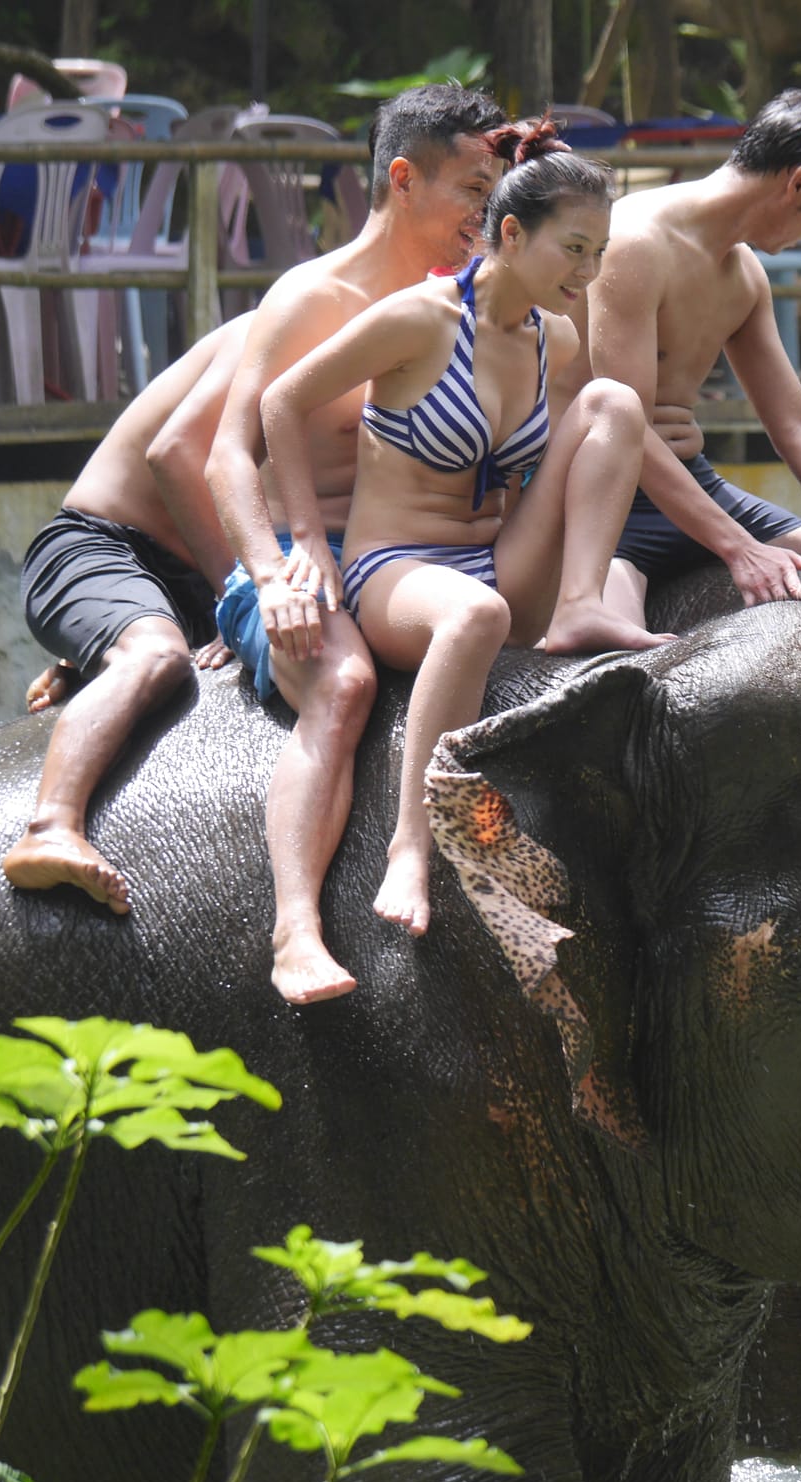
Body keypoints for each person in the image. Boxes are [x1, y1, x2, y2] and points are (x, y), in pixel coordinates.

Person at [261, 122, 671, 939]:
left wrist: (739, 537)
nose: (589, 275)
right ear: (511, 234)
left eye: (601, 255)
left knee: (616, 405)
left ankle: (583, 600)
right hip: (399, 573)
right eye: (575, 251)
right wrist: (305, 543)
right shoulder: (419, 318)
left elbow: (600, 449)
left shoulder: (556, 337)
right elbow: (281, 402)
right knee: (474, 617)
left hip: (496, 560)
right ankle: (414, 842)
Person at [205, 82, 511, 1005]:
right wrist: (276, 569)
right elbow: (228, 451)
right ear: (405, 180)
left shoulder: (469, 300)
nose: (485, 213)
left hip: (426, 561)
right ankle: (295, 930)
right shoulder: (314, 296)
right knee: (341, 686)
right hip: (316, 564)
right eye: (471, 190)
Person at [570, 85, 801, 625]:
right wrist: (738, 545)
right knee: (620, 670)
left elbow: (798, 425)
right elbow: (625, 427)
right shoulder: (635, 242)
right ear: (800, 182)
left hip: (696, 482)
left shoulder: (744, 277)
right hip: (611, 495)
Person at [2, 313, 254, 914]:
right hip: (102, 546)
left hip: (195, 585)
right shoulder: (295, 315)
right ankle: (50, 827)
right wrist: (237, 599)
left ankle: (99, 660)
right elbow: (173, 454)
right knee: (156, 656)